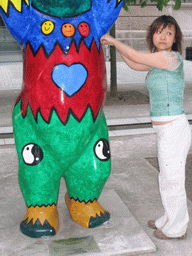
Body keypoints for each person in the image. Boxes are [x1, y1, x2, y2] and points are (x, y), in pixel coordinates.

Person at [101, 15, 191, 240]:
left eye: (169, 33)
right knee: (166, 177)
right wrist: (117, 48)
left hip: (174, 129)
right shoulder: (157, 59)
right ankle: (168, 218)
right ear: (152, 34)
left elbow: (135, 55)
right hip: (165, 130)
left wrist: (114, 41)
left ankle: (178, 227)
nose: (163, 36)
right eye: (159, 31)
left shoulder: (171, 58)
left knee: (173, 179)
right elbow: (133, 62)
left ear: (175, 39)